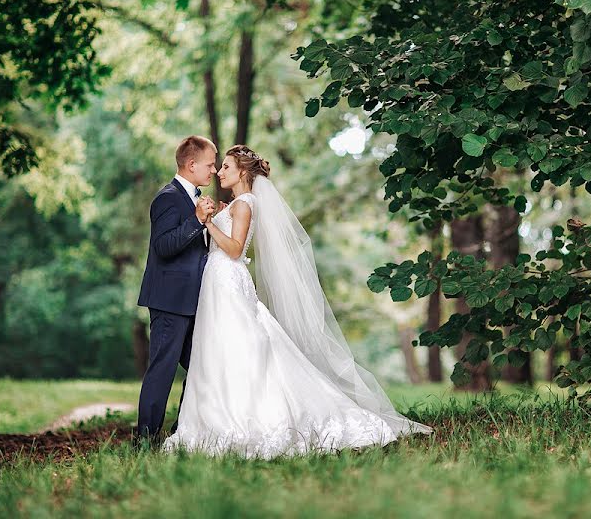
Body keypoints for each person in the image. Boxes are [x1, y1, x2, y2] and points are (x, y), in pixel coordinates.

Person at [163, 144, 432, 458]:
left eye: (225, 167)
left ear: (242, 173)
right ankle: (209, 421)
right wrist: (217, 216)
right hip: (216, 282)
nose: (219, 172)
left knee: (239, 346)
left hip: (228, 280)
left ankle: (247, 419)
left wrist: (207, 222)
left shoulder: (246, 204)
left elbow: (235, 250)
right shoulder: (235, 205)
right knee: (218, 348)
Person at [135, 135, 224, 442]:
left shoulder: (194, 198)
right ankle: (145, 440)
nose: (213, 170)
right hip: (170, 302)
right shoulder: (168, 197)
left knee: (202, 368)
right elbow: (163, 247)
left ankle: (180, 435)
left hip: (193, 302)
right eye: (210, 164)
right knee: (162, 371)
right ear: (191, 164)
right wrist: (197, 220)